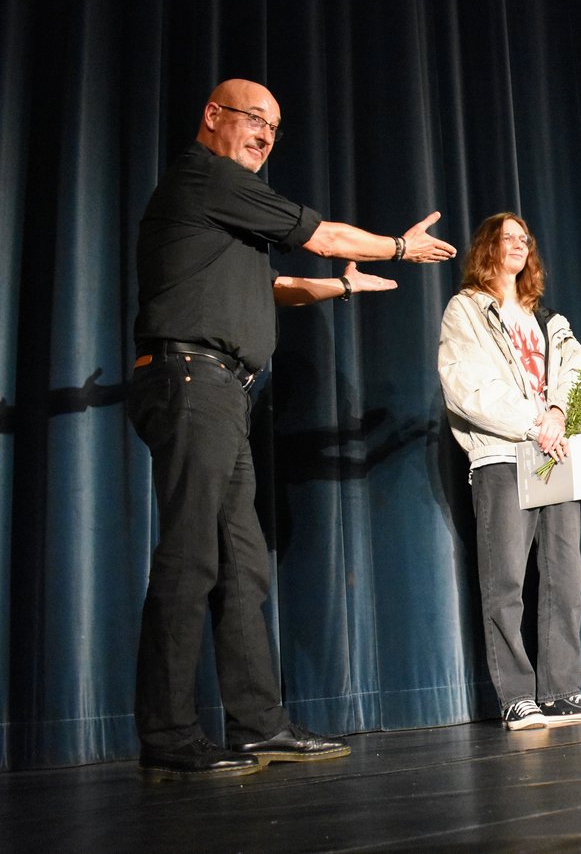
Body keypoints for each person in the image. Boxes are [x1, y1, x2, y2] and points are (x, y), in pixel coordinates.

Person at [129, 78, 457, 781]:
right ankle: (168, 731)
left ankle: (258, 723)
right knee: (191, 559)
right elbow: (322, 235)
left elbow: (273, 287)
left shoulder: (224, 214)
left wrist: (341, 286)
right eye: (255, 119)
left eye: (275, 127)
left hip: (221, 392)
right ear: (212, 116)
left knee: (242, 562)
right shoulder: (206, 177)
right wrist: (397, 248)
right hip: (192, 382)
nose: (266, 135)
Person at [437, 213, 581, 731]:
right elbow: (465, 386)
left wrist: (560, 416)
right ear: (487, 249)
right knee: (507, 580)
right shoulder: (466, 310)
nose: (518, 245)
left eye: (524, 239)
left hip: (556, 450)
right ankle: (518, 696)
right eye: (507, 238)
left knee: (565, 577)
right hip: (502, 453)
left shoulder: (551, 320)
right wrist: (532, 423)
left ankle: (562, 689)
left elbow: (573, 373)